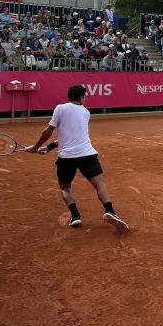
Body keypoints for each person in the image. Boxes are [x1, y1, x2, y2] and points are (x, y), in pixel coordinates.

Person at [25, 84, 129, 232]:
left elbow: (48, 130)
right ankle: (110, 211)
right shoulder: (86, 112)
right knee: (99, 183)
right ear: (82, 97)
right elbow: (72, 137)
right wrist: (48, 148)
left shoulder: (60, 108)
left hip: (66, 158)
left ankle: (75, 216)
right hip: (87, 154)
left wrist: (36, 146)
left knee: (65, 187)